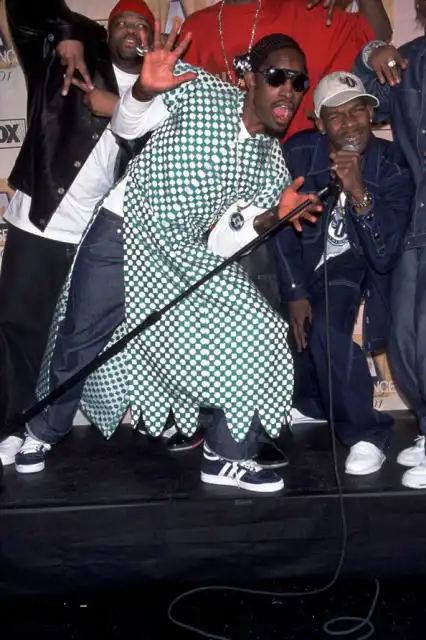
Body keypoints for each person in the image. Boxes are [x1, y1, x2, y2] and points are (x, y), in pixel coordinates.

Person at [14, 28, 322, 493]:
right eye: (278, 77)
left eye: (299, 83)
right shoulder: (199, 91)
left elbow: (224, 241)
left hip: (182, 251)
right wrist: (141, 91)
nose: (289, 91)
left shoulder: (272, 166)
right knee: (80, 339)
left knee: (256, 324)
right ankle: (41, 431)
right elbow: (126, 128)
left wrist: (271, 219)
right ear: (250, 79)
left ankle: (225, 455)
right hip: (124, 228)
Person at [0, 0, 155, 468]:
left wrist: (120, 107)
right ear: (106, 31)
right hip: (42, 220)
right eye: (122, 22)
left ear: (153, 37)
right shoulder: (64, 59)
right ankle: (9, 425)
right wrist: (68, 31)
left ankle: (45, 426)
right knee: (20, 331)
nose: (132, 30)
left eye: (142, 24)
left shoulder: (163, 92)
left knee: (80, 339)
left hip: (102, 236)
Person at [273, 71, 413, 475]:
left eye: (358, 111)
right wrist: (294, 291)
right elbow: (280, 229)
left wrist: (359, 193)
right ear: (320, 123)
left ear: (372, 113)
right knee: (274, 316)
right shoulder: (298, 154)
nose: (350, 123)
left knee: (326, 325)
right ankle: (313, 403)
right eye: (336, 116)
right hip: (307, 261)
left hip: (359, 260)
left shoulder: (392, 163)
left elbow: (384, 255)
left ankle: (368, 434)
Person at [353, 0, 426, 487]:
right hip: (417, 217)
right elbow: (360, 95)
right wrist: (373, 50)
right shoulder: (409, 59)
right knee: (406, 337)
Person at [179, 0, 392, 140]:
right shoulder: (196, 28)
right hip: (220, 171)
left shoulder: (303, 11)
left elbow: (377, 33)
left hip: (297, 168)